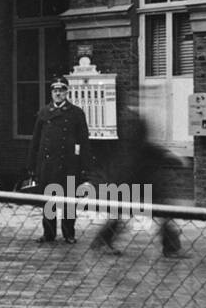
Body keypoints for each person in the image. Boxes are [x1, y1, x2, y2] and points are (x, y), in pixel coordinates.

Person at [94, 114, 184, 257]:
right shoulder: (133, 131)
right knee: (155, 212)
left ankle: (171, 247)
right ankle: (102, 241)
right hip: (132, 178)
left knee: (160, 212)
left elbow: (145, 149)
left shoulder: (133, 128)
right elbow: (142, 149)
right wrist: (166, 156)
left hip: (140, 177)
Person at [28, 76, 90, 244]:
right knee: (49, 201)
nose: (58, 94)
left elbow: (84, 141)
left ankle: (69, 233)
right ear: (51, 93)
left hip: (69, 165)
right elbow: (36, 140)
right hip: (48, 164)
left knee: (69, 201)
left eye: (61, 91)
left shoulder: (76, 113)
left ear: (66, 92)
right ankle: (48, 233)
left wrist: (84, 168)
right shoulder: (43, 112)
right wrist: (32, 165)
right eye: (55, 91)